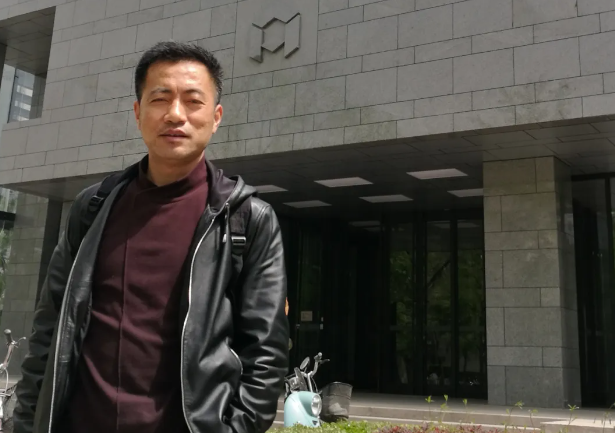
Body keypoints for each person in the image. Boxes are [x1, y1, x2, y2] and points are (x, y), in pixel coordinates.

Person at [12, 41, 289, 433]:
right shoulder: (93, 207)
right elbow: (49, 331)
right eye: (160, 99)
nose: (175, 114)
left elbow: (265, 353)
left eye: (193, 101)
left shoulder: (247, 219)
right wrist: (27, 422)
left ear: (216, 117)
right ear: (138, 113)